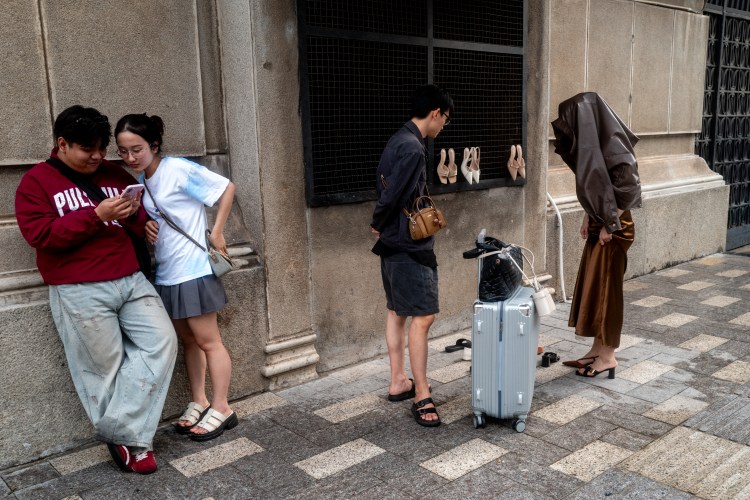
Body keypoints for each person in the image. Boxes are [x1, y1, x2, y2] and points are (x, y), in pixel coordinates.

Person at [15, 105, 178, 474]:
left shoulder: (113, 173)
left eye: (102, 148)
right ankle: (134, 445)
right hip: (78, 287)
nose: (97, 156)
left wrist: (138, 218)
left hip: (130, 277)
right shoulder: (35, 183)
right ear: (62, 144)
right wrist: (95, 216)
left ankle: (118, 430)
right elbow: (40, 236)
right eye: (87, 149)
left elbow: (136, 218)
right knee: (102, 368)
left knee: (162, 342)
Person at [115, 114, 238, 441]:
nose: (130, 157)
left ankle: (223, 407)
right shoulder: (141, 183)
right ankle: (199, 400)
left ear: (154, 145)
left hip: (193, 270)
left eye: (137, 149)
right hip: (168, 273)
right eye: (123, 151)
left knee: (209, 341)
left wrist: (218, 232)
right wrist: (147, 225)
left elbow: (226, 188)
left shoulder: (177, 170)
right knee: (189, 341)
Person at [370, 84, 453, 427]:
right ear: (435, 113)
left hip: (393, 243)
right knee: (423, 317)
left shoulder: (398, 139)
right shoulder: (414, 148)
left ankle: (398, 381)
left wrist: (381, 225)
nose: (443, 125)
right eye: (445, 119)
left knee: (396, 312)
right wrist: (377, 222)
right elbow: (393, 196)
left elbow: (384, 186)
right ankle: (421, 394)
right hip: (409, 245)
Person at [551, 92, 642, 379]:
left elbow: (630, 187)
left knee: (607, 293)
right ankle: (596, 350)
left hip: (615, 226)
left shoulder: (615, 143)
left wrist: (609, 225)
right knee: (594, 289)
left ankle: (608, 356)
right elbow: (596, 182)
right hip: (602, 221)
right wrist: (588, 215)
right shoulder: (600, 140)